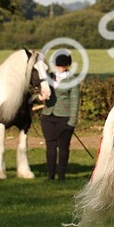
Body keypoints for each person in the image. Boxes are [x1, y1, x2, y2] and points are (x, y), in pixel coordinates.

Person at [40, 52, 80, 181]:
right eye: (58, 65)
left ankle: (61, 175)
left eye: (62, 66)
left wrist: (72, 121)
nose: (59, 68)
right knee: (50, 146)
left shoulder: (73, 80)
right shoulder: (48, 77)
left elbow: (75, 101)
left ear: (67, 65)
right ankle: (50, 175)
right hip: (48, 116)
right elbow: (40, 92)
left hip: (64, 117)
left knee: (63, 147)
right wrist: (40, 97)